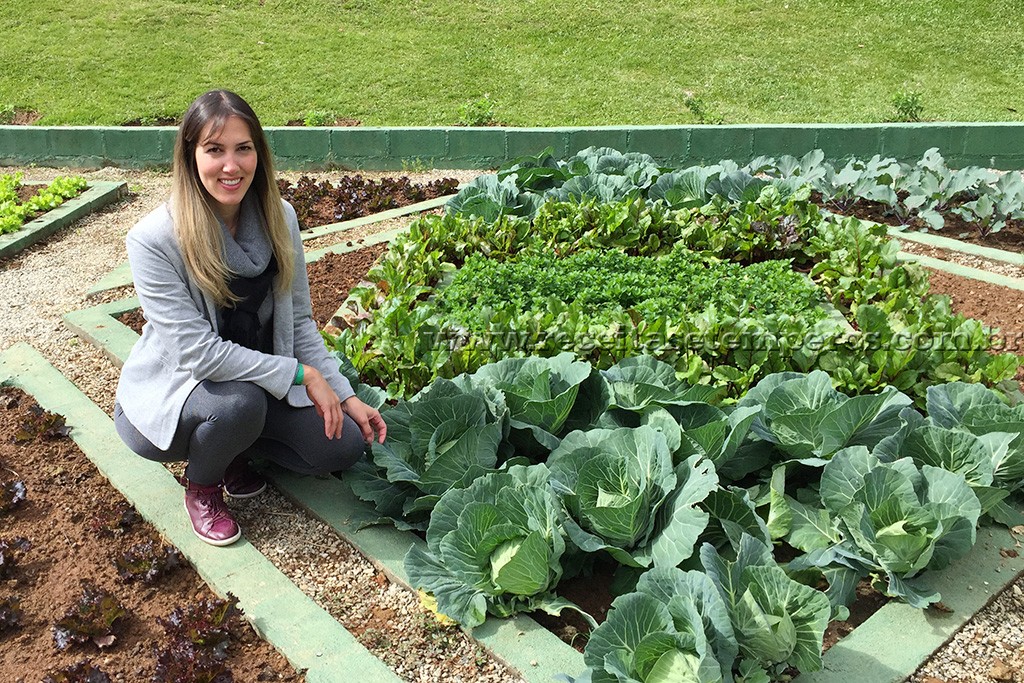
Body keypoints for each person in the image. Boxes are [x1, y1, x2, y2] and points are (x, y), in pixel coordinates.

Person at [113, 90, 386, 547]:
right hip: (178, 399)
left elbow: (299, 322)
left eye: (243, 148)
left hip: (254, 386)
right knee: (238, 405)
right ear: (190, 155)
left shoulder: (280, 218)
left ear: (259, 153)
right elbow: (197, 355)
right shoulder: (154, 239)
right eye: (214, 150)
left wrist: (344, 393)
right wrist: (300, 373)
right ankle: (203, 485)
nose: (231, 166)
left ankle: (234, 450)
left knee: (342, 445)